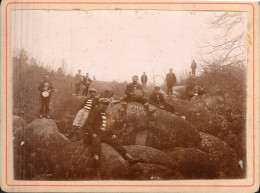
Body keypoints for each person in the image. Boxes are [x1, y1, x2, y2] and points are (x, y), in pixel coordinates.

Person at [82, 98, 141, 172]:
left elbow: (108, 127)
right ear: (99, 104)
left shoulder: (106, 114)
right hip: (92, 134)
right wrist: (92, 134)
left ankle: (129, 159)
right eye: (103, 104)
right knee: (96, 142)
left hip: (102, 134)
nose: (105, 106)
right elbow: (88, 125)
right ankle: (96, 160)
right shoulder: (94, 112)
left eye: (106, 105)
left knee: (115, 142)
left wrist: (112, 134)